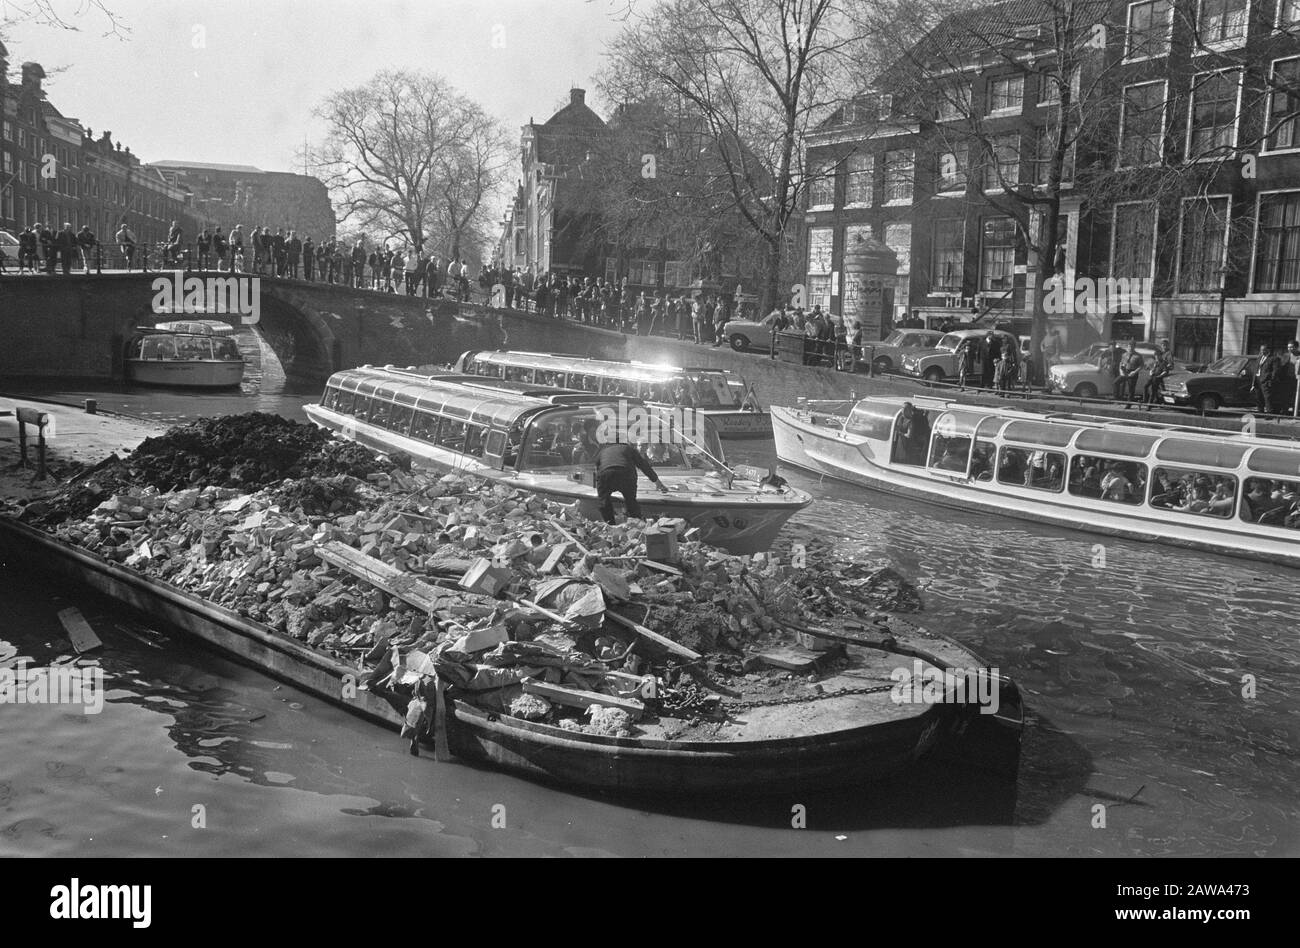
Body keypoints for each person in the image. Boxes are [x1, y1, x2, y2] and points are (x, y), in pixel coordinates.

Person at [593, 437, 669, 523]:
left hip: (606, 474)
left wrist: (600, 491)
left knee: (604, 502)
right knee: (631, 502)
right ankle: (636, 522)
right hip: (626, 474)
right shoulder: (629, 449)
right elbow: (643, 466)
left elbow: (596, 470)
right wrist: (658, 483)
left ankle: (609, 524)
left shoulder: (603, 451)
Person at [1143, 340, 1173, 408]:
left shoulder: (1169, 353)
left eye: (1164, 345)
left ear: (1167, 345)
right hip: (1156, 373)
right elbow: (1154, 364)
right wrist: (1152, 370)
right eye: (1162, 345)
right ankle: (1148, 401)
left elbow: (1170, 365)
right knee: (1148, 387)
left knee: (1155, 389)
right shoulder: (1160, 353)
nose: (1163, 346)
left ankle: (1151, 404)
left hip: (1161, 373)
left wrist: (1163, 368)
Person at [1253, 344, 1280, 414]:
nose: (1262, 351)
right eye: (1261, 350)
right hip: (1257, 380)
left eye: (1263, 350)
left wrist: (1271, 380)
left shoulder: (1274, 359)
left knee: (1267, 398)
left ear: (1268, 350)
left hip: (1266, 381)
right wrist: (1253, 381)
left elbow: (1275, 371)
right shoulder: (1259, 358)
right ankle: (1260, 412)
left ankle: (1269, 413)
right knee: (1258, 397)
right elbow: (1255, 369)